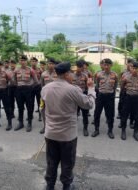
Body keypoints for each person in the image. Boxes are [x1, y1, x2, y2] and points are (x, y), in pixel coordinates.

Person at [41, 62, 94, 190]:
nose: (72, 75)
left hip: (50, 133)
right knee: (67, 163)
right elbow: (88, 104)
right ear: (66, 74)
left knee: (51, 162)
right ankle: (66, 185)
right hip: (67, 136)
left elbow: (43, 109)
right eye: (70, 72)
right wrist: (91, 88)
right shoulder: (72, 89)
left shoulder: (45, 88)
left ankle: (50, 185)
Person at [91, 58, 118, 138]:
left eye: (108, 65)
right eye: (105, 65)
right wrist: (99, 92)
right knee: (97, 113)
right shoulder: (98, 74)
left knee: (110, 114)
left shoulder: (114, 75)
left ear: (111, 65)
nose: (106, 66)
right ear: (103, 65)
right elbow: (97, 84)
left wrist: (113, 93)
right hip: (101, 96)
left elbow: (116, 85)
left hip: (110, 96)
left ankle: (110, 130)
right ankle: (96, 130)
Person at [120, 62, 138, 141]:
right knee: (124, 115)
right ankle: (123, 131)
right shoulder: (126, 77)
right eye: (133, 68)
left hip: (137, 99)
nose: (135, 70)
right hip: (128, 98)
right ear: (131, 68)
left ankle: (135, 132)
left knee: (137, 116)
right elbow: (122, 87)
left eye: (137, 69)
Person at [14, 55, 39, 132]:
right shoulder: (16, 70)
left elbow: (36, 81)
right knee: (20, 107)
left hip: (28, 90)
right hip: (19, 90)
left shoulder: (30, 70)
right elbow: (14, 80)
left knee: (29, 107)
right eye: (21, 60)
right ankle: (21, 123)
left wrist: (30, 87)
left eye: (24, 60)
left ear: (26, 61)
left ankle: (29, 123)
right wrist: (18, 86)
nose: (22, 62)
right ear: (19, 61)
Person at [39, 58, 58, 134]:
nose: (50, 65)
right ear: (47, 64)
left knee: (55, 112)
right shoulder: (43, 74)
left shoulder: (57, 73)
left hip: (55, 96)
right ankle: (45, 126)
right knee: (43, 111)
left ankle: (55, 127)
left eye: (52, 64)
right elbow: (42, 86)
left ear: (55, 65)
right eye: (49, 63)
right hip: (45, 96)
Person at [71, 60, 90, 136]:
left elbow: (87, 86)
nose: (81, 69)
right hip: (74, 97)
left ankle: (85, 128)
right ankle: (72, 128)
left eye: (82, 67)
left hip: (83, 96)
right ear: (76, 67)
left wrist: (87, 96)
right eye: (79, 67)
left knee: (85, 113)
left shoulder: (85, 76)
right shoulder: (71, 76)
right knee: (73, 113)